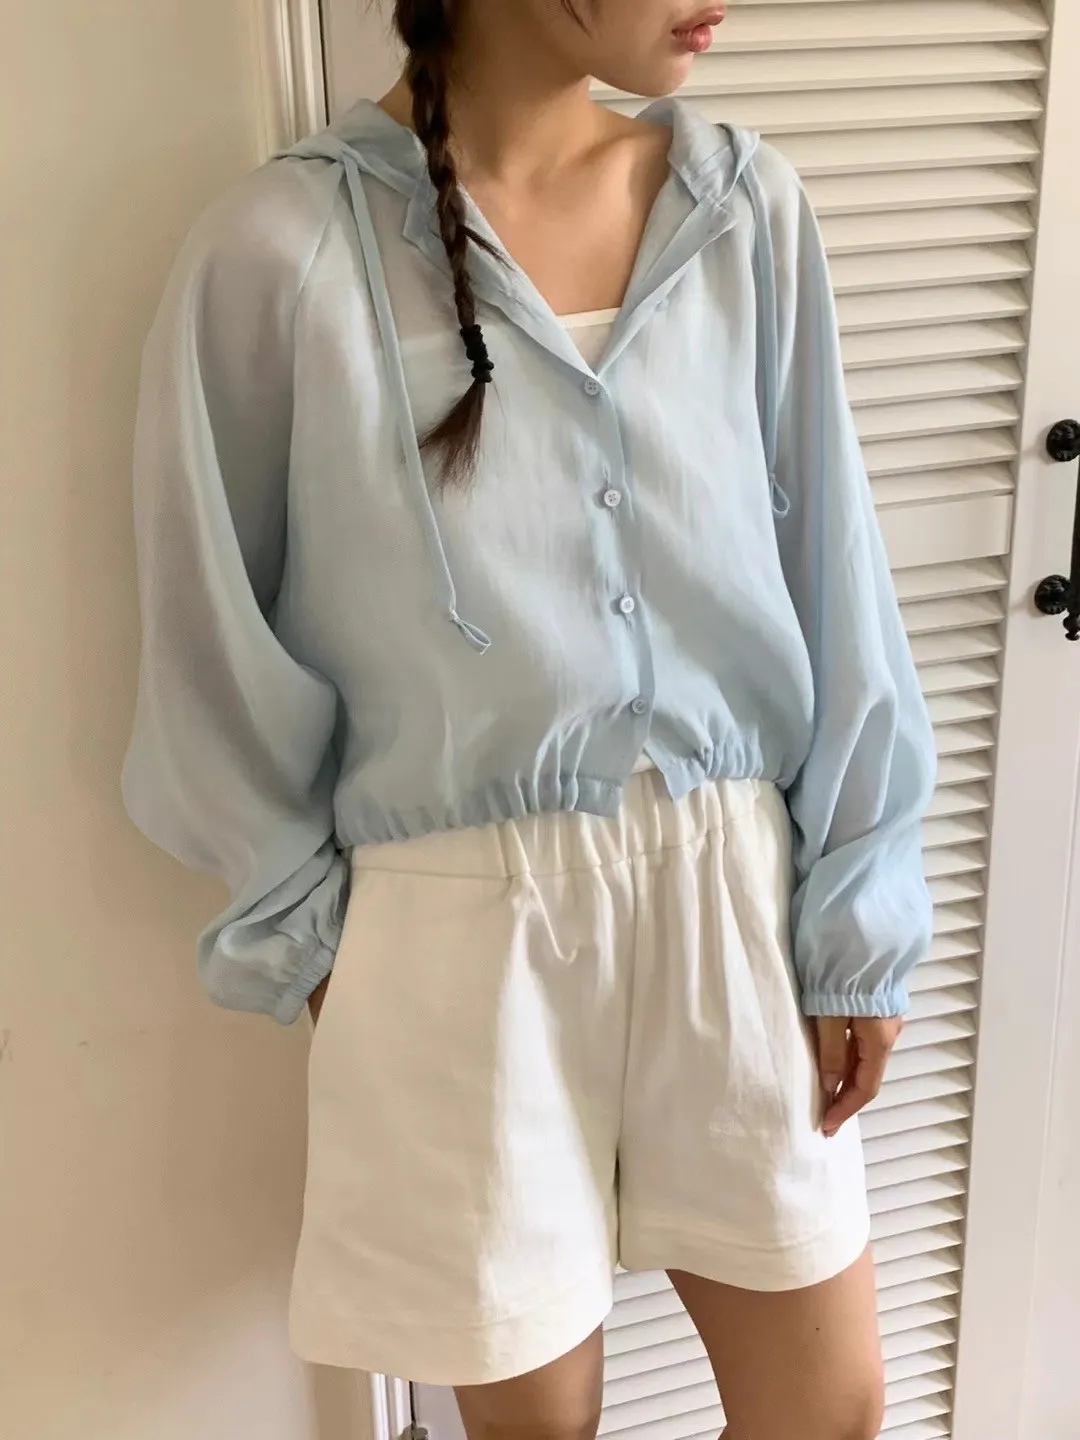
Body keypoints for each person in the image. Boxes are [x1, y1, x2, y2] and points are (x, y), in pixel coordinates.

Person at [123, 1, 936, 1436]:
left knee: (830, 1409)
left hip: (736, 901)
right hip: (455, 938)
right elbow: (212, 641)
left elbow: (835, 574)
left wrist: (857, 907)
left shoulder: (743, 209)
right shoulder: (279, 250)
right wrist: (322, 953)